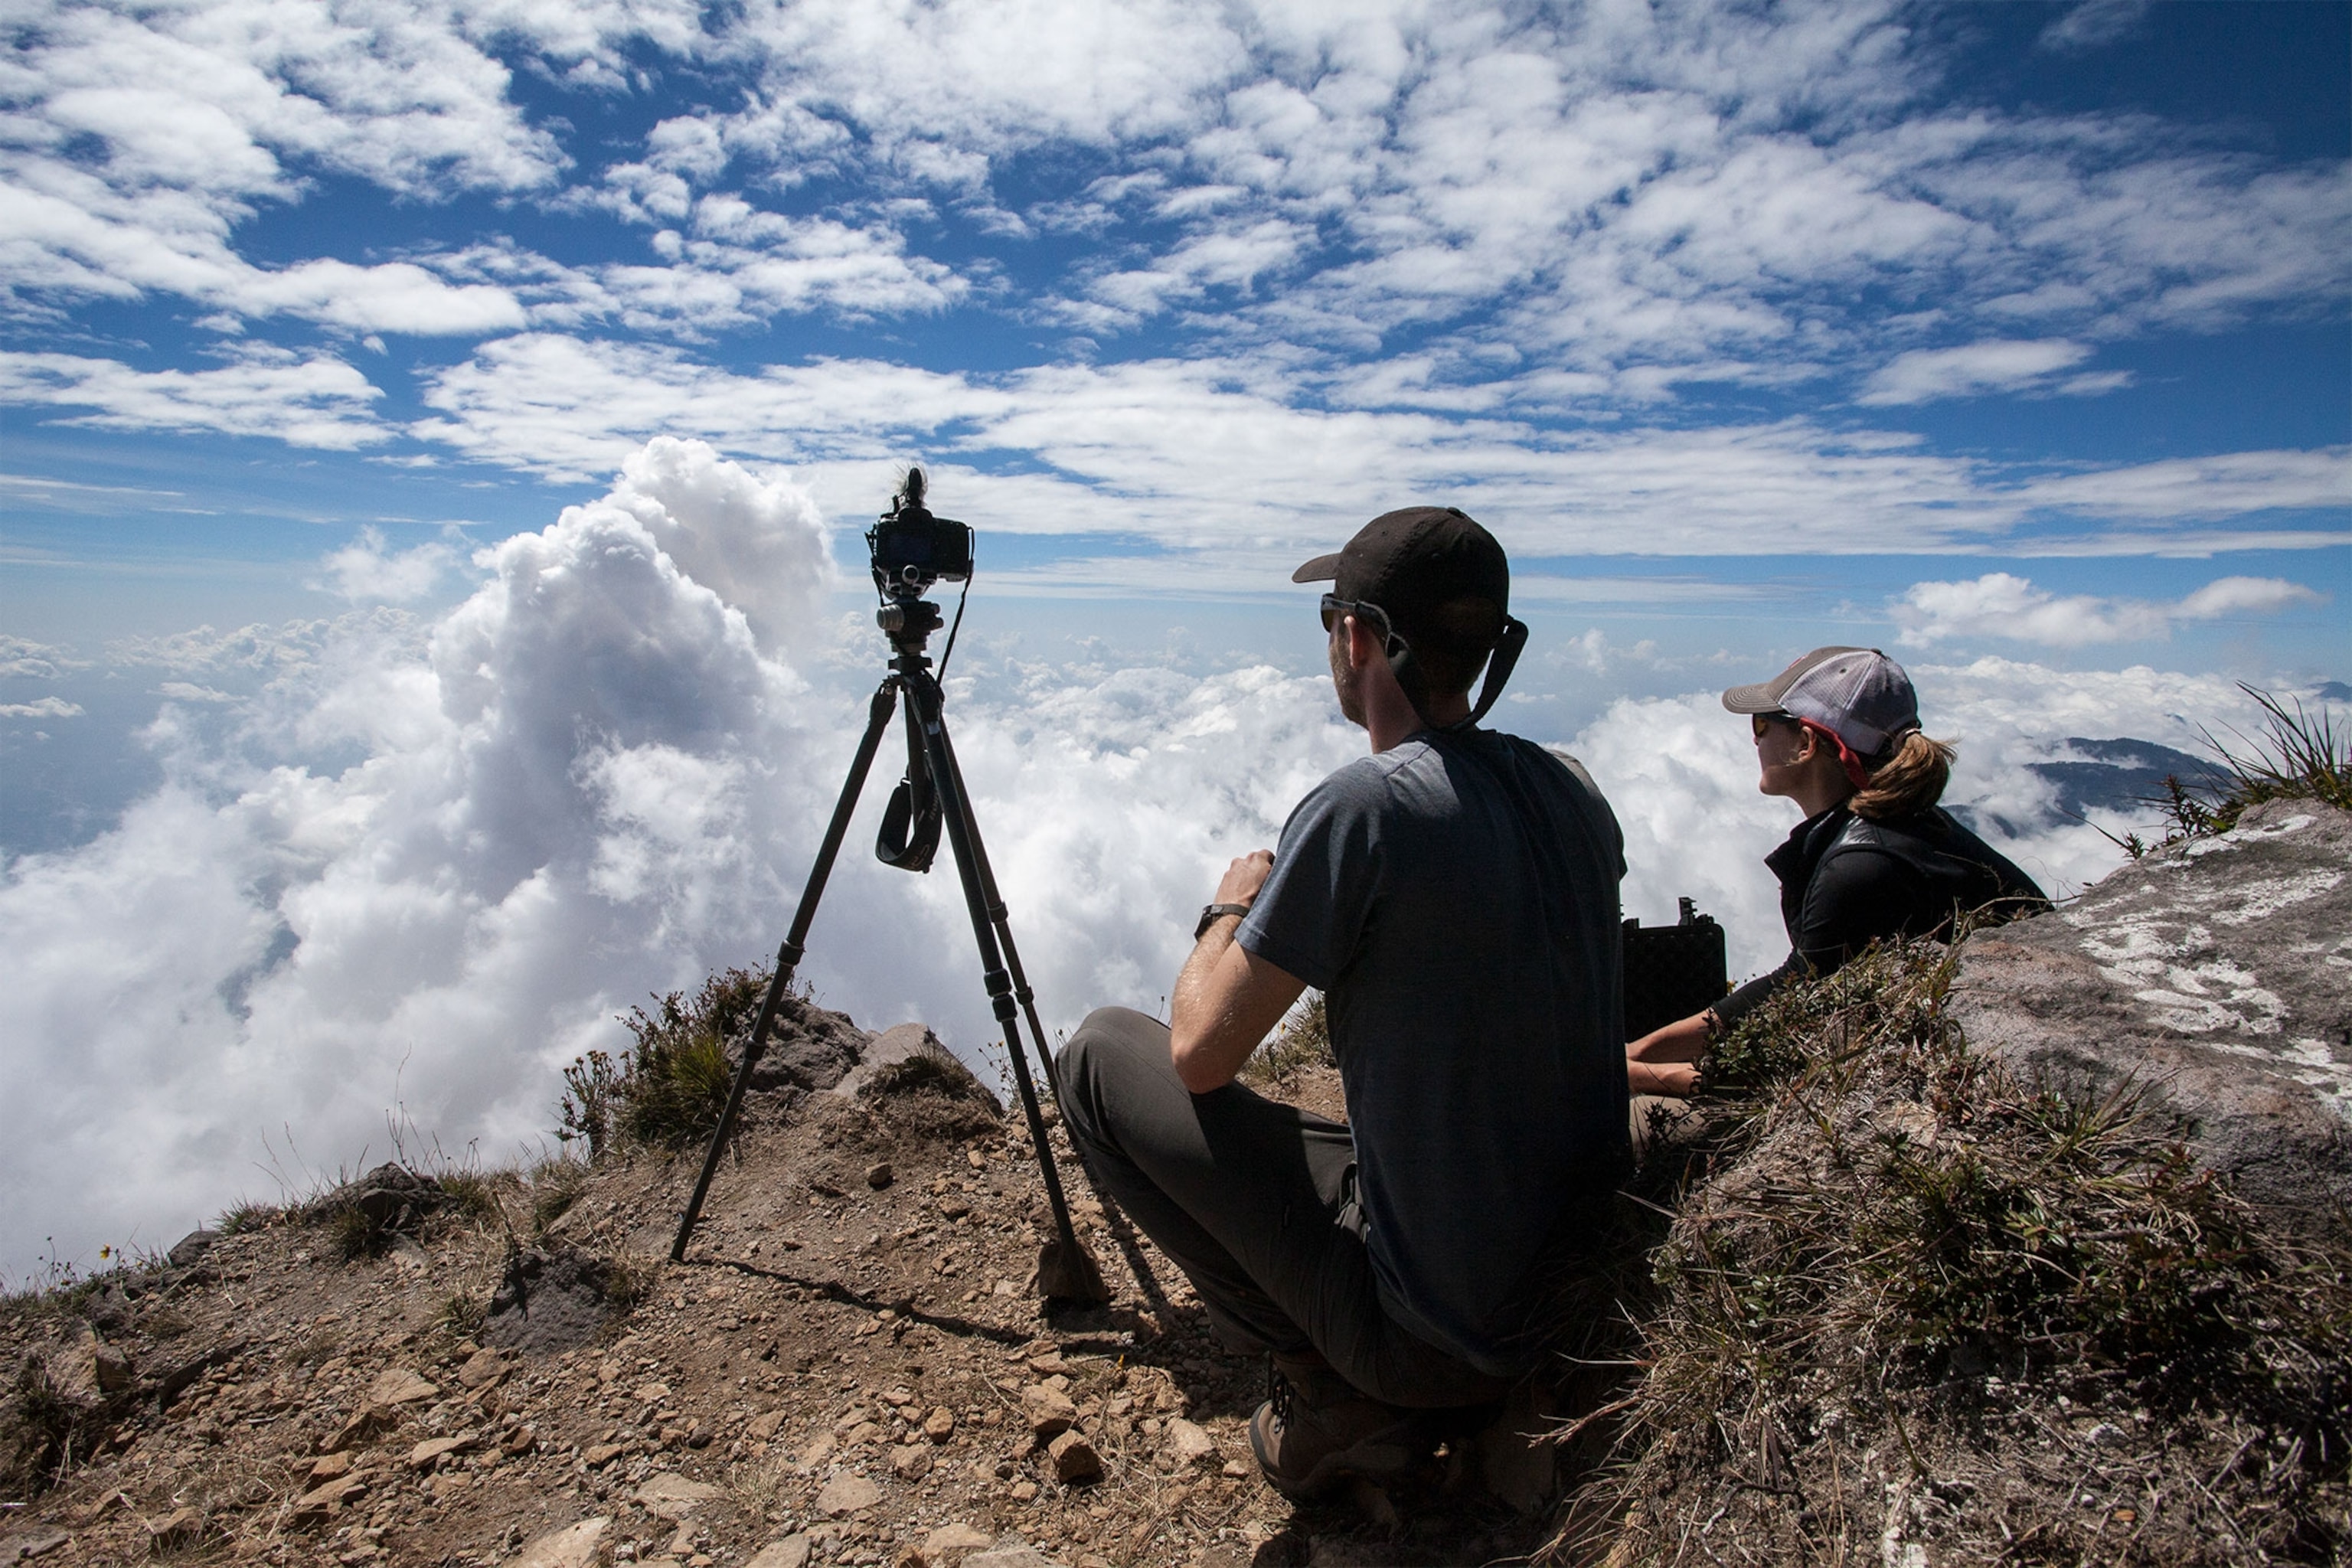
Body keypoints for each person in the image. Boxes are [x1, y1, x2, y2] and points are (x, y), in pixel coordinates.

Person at [1057, 506, 1631, 1501]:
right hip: (1575, 1298)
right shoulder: (1572, 790)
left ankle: (1336, 1396)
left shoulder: (1364, 809)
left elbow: (1198, 1053)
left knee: (1102, 1056)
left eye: (1330, 617)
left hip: (1439, 1336)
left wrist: (1227, 909)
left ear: (1359, 637)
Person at [1625, 646, 2049, 1097]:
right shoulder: (1903, 828)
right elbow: (1799, 980)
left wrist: (1621, 1075)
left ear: (1807, 744)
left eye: (1763, 724)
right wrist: (1641, 1050)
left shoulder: (1863, 871)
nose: (1755, 739)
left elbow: (1791, 1083)